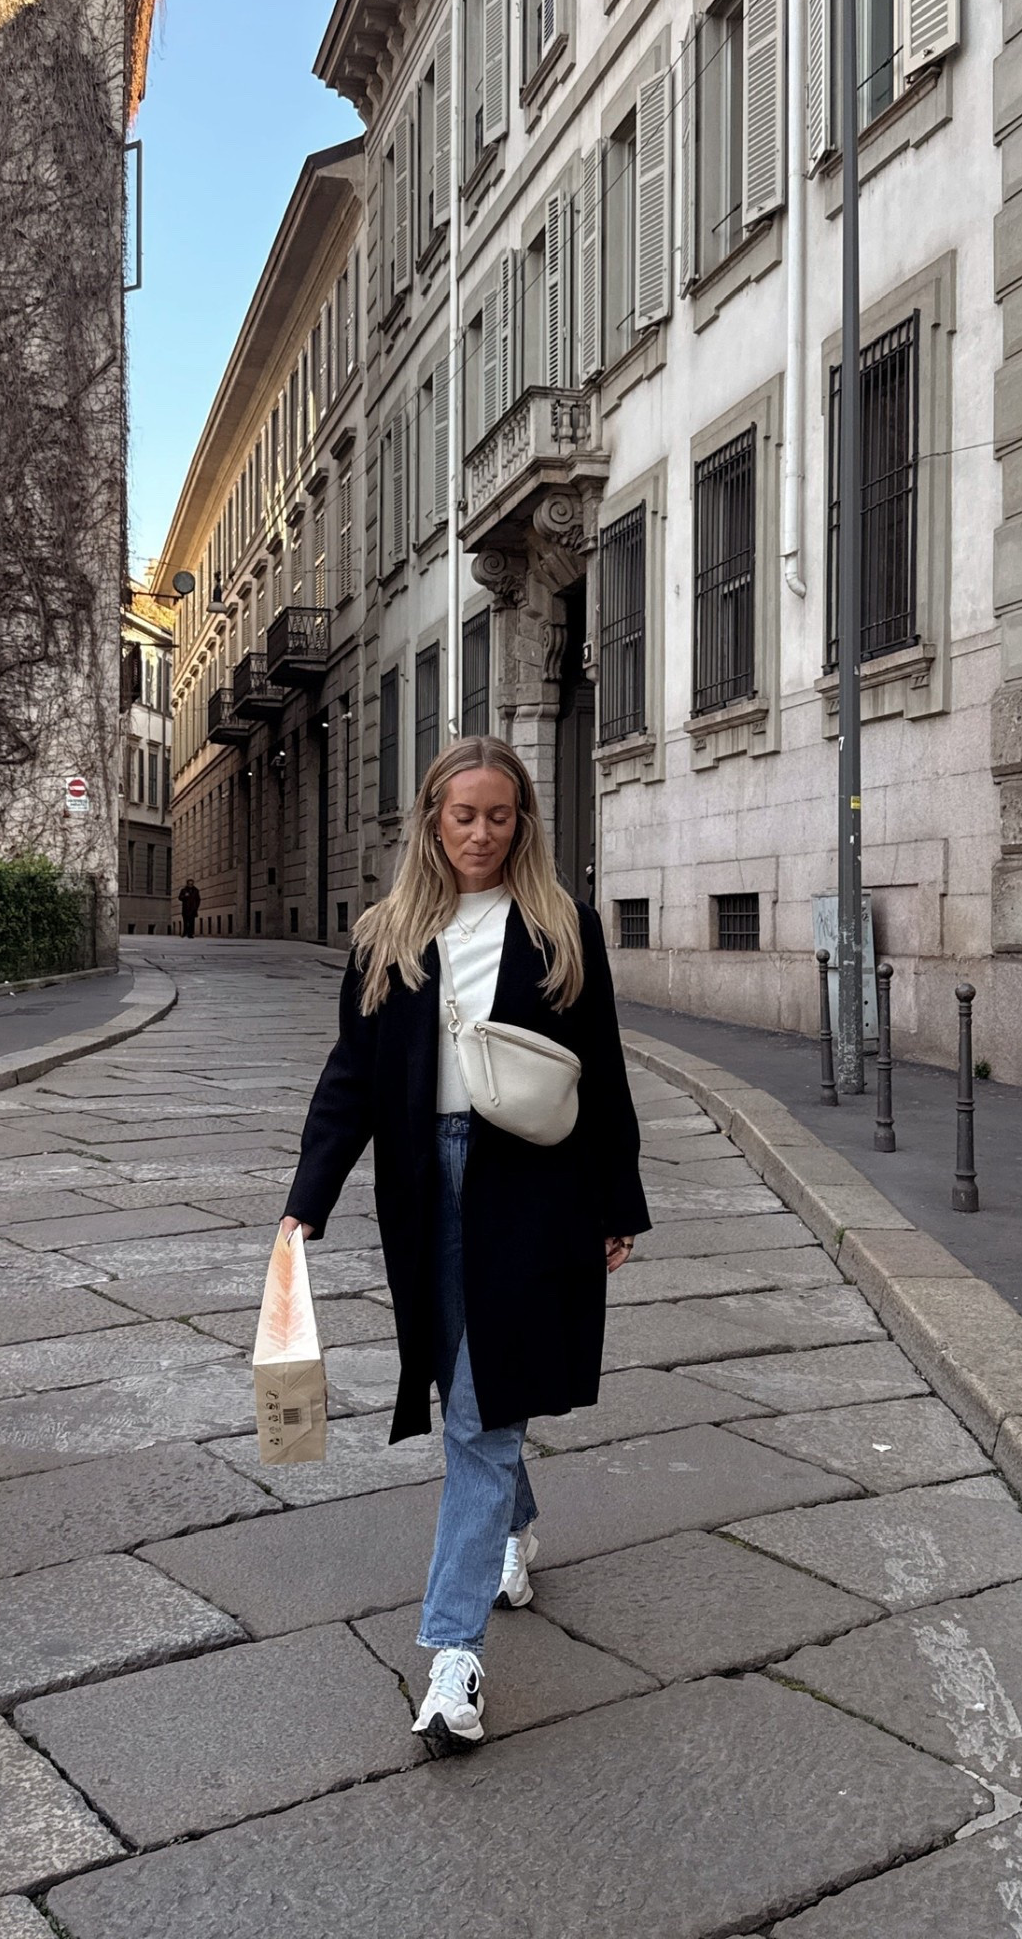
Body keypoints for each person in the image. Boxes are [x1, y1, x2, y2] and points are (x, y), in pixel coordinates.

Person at [282, 736, 649, 1752]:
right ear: (433, 821)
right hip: (422, 1182)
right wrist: (307, 1197)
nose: (480, 832)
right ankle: (513, 1527)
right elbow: (350, 1075)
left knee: (481, 1413)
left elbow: (602, 1071)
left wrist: (618, 1200)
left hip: (530, 1185)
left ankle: (453, 1659)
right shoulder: (388, 933)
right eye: (463, 815)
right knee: (465, 1383)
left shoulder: (561, 927)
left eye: (499, 815)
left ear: (521, 820)